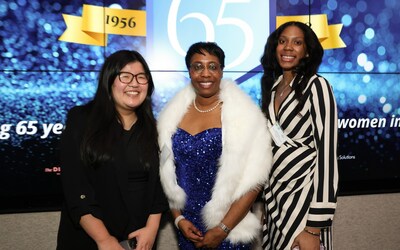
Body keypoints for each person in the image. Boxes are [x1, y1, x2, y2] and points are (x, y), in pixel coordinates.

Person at [157, 41, 272, 249]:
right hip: (187, 229)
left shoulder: (244, 116)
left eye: (212, 66)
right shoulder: (170, 118)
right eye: (198, 66)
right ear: (189, 71)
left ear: (221, 71)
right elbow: (168, 174)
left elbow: (254, 182)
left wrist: (222, 230)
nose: (205, 73)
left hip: (230, 230)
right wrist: (178, 220)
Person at [57, 50, 169, 250]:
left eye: (141, 77)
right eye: (125, 76)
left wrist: (151, 229)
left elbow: (162, 185)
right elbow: (75, 186)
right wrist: (104, 239)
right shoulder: (81, 120)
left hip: (139, 241)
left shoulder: (156, 130)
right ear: (109, 81)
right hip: (90, 240)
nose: (134, 83)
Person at [260, 21, 339, 250]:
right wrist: (267, 207)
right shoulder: (273, 88)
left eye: (297, 43)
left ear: (306, 51)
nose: (288, 48)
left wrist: (314, 227)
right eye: (283, 41)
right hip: (276, 203)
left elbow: (327, 157)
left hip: (304, 206)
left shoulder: (317, 86)